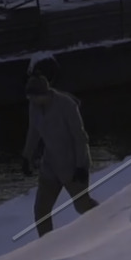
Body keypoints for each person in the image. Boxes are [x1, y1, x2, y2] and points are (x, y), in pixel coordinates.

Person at [21, 74, 97, 236]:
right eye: (29, 97)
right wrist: (26, 156)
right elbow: (33, 131)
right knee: (41, 211)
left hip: (73, 165)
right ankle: (47, 246)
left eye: (34, 96)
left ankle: (107, 224)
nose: (31, 100)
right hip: (50, 166)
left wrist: (81, 166)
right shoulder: (34, 106)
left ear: (44, 93)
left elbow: (79, 136)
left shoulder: (66, 105)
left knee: (82, 206)